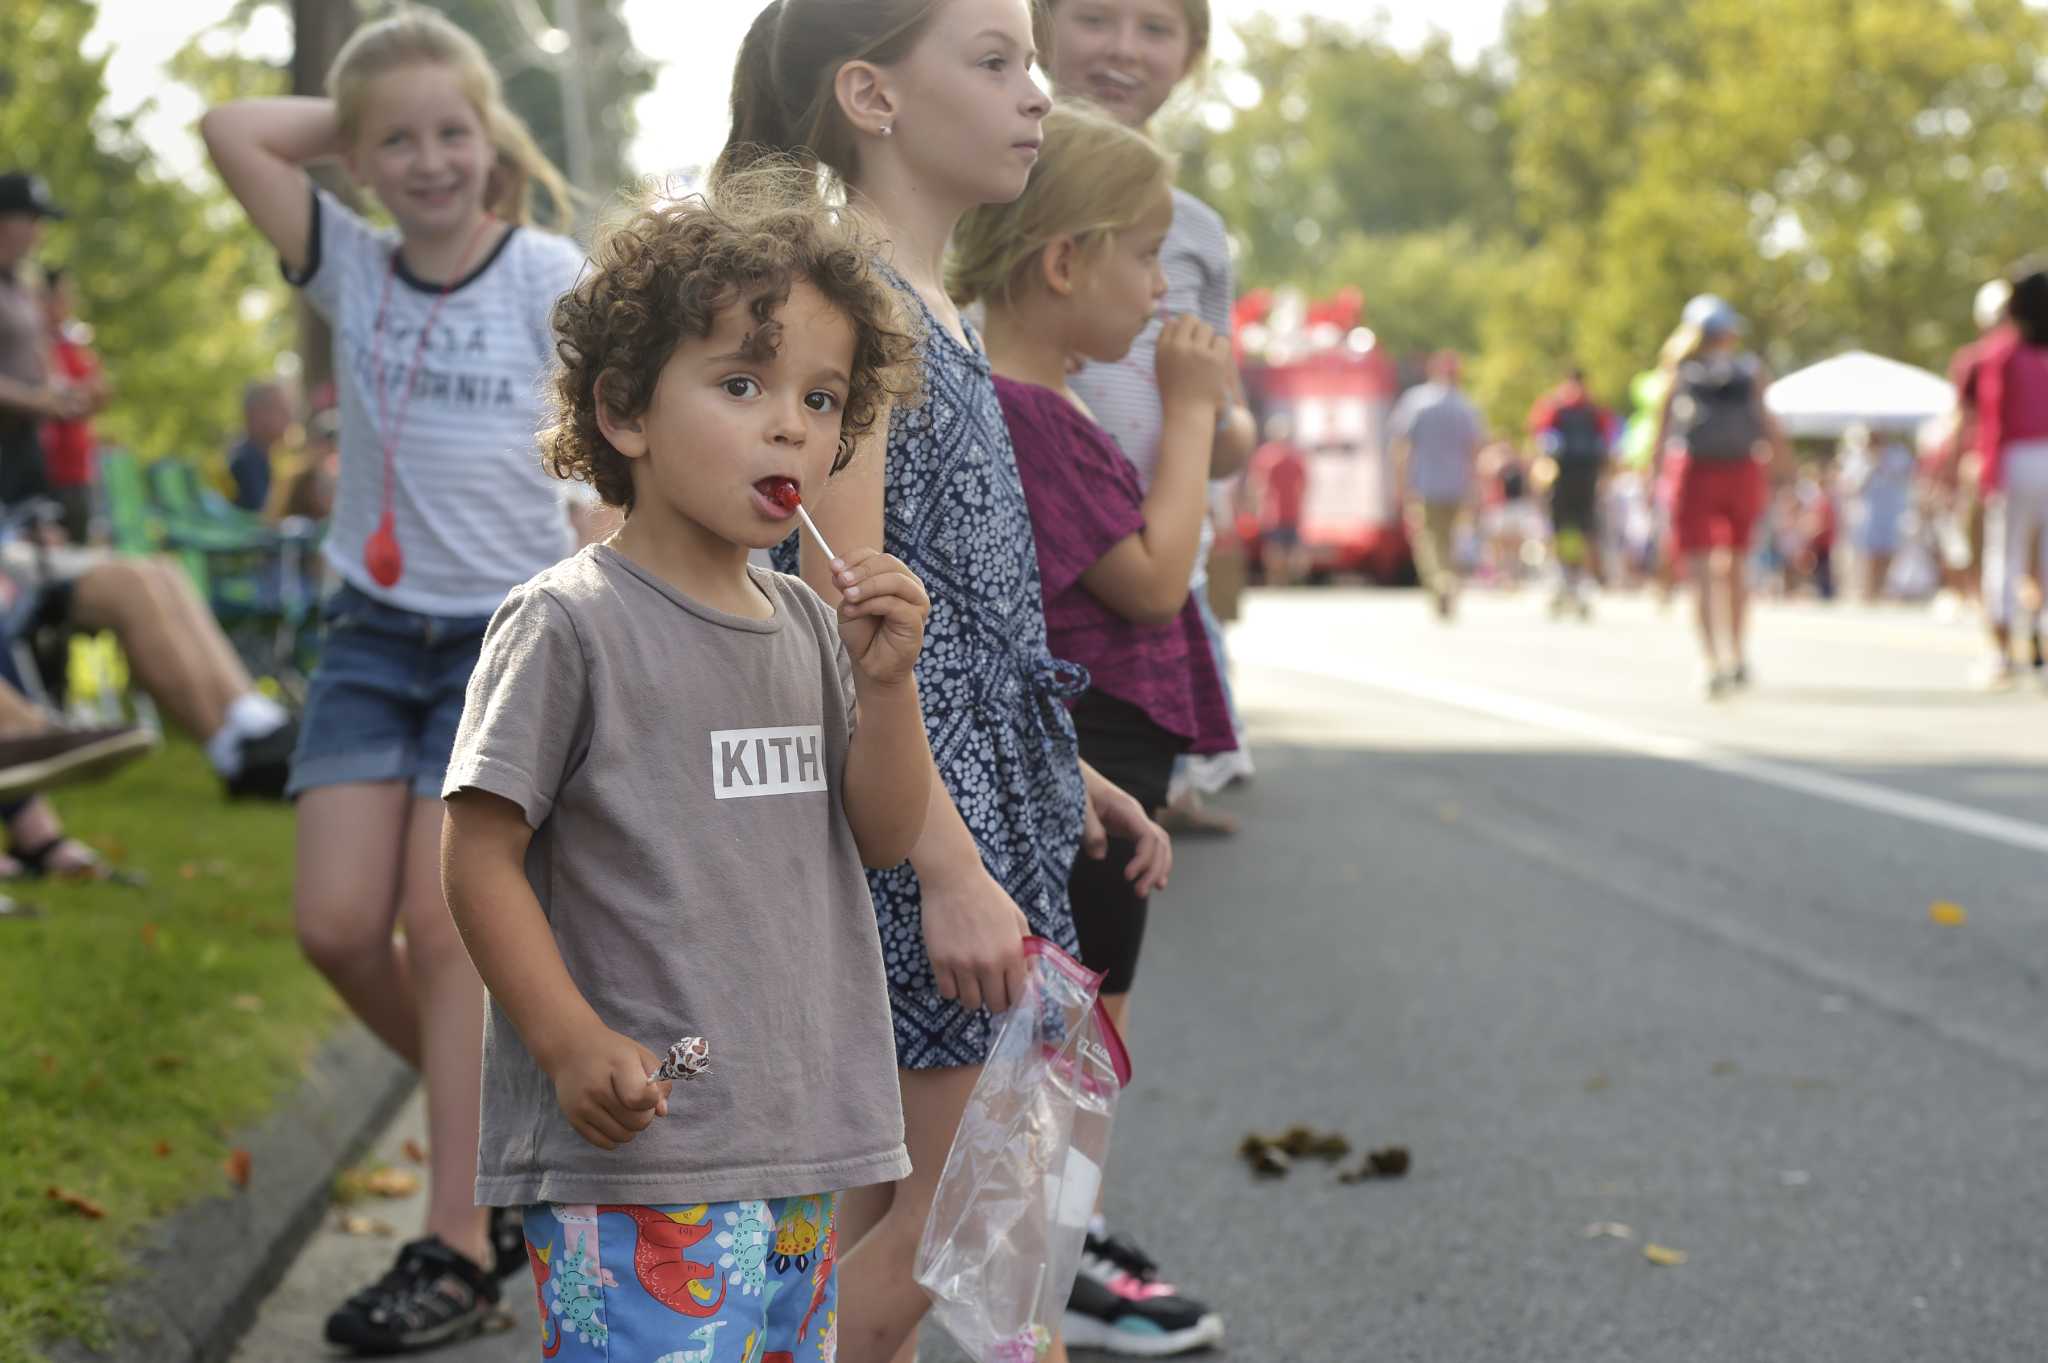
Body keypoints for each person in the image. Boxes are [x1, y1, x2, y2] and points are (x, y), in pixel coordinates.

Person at [726, 6, 1171, 1361]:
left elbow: (960, 611)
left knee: (899, 1204)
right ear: (871, 95)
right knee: (948, 1213)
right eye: (993, 62)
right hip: (921, 827)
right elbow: (838, 611)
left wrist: (1067, 769)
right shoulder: (847, 301)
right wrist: (945, 864)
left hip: (976, 796)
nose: (1036, 93)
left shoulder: (925, 301)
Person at [443, 174, 932, 1363]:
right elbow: (478, 854)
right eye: (741, 385)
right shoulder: (569, 624)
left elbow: (880, 835)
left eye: (820, 400)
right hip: (643, 1153)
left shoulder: (812, 626)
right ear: (623, 413)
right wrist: (563, 1038)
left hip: (800, 1135)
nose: (791, 427)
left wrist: (887, 683)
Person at [202, 9, 590, 1349]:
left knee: (444, 926)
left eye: (453, 131)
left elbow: (607, 448)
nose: (429, 159)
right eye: (397, 142)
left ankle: (459, 1234)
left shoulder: (548, 271)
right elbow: (230, 130)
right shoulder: (351, 265)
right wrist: (363, 107)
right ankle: (489, 1121)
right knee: (335, 923)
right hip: (373, 640)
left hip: (503, 640)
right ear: (360, 164)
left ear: (490, 143)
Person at [956, 99, 1226, 1357]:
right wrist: (1187, 411)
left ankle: (1041, 1286)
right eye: (1140, 253)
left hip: (1103, 758)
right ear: (1063, 262)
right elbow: (1154, 581)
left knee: (1070, 1053)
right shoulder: (1028, 415)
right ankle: (1041, 1297)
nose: (1157, 285)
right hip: (1093, 759)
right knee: (1074, 1059)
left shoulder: (1028, 402)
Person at [1051, 0, 1257, 845]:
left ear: (1193, 52)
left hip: (1161, 549)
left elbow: (1229, 415)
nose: (1123, 49)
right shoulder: (998, 188)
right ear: (1039, 26)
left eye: (1156, 27)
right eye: (1095, 18)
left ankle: (1165, 787)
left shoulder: (1200, 232)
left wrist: (1207, 414)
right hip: (1056, 555)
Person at [1649, 295, 1788, 697]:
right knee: (1737, 567)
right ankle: (1738, 655)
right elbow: (1769, 425)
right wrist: (1784, 468)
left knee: (1701, 569)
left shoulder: (1679, 370)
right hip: (1743, 470)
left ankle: (1711, 659)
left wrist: (1654, 476)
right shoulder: (1750, 370)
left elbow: (1663, 430)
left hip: (1695, 471)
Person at [1965, 259, 2048, 689]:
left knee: (2005, 554)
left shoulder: (2003, 351)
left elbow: (1992, 417)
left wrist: (1988, 471)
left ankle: (2001, 654)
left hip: (2017, 459)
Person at [0, 173, 81, 512]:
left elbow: (40, 352)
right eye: (32, 219)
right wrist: (36, 400)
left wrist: (62, 394)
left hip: (25, 446)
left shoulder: (22, 285)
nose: (39, 232)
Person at [1392, 349, 1485, 618]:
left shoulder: (1417, 402)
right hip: (1457, 484)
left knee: (1428, 540)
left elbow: (1401, 446)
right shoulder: (1466, 406)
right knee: (1452, 539)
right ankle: (1450, 580)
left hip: (1425, 483)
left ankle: (1441, 581)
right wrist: (1475, 486)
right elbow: (1475, 451)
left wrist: (1401, 483)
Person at [1528, 367, 1615, 618]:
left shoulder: (1554, 406)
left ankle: (1565, 580)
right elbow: (1607, 445)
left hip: (1562, 477)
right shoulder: (1594, 409)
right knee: (1585, 528)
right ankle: (1579, 582)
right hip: (1587, 478)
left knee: (1562, 528)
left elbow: (1541, 440)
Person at [39, 266, 109, 544]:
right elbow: (55, 400)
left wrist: (75, 398)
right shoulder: (35, 343)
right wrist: (72, 398)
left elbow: (100, 392)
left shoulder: (73, 343)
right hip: (45, 473)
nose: (68, 303)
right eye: (62, 296)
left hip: (78, 469)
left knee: (79, 551)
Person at [1837, 423, 1914, 602]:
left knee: (1887, 552)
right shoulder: (1857, 458)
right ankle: (1868, 590)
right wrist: (1872, 465)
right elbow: (1852, 486)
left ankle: (1880, 588)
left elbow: (1906, 476)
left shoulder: (1897, 455)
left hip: (1892, 512)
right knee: (1868, 553)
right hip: (1867, 514)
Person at [1248, 413, 1310, 587]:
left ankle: (1279, 580)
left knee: (1278, 548)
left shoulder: (1265, 455)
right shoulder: (1293, 456)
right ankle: (1289, 580)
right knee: (1284, 547)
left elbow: (1255, 484)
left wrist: (1254, 505)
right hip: (1282, 510)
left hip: (1276, 510)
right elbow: (1304, 484)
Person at [228, 379, 293, 515]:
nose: (289, 416)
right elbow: (265, 518)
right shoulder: (245, 462)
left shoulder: (260, 457)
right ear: (256, 414)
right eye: (280, 408)